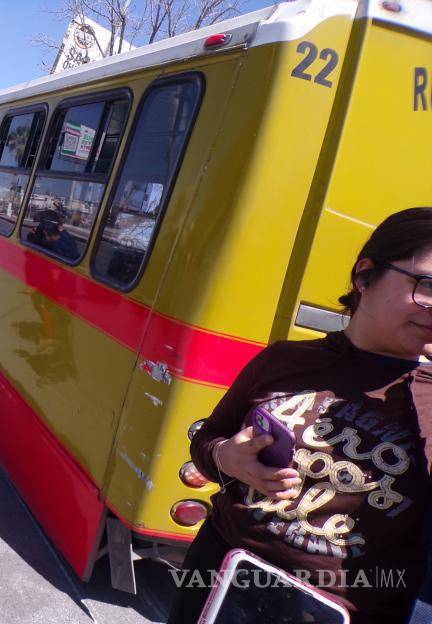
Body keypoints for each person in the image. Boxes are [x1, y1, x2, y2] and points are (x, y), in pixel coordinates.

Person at [168, 207, 432, 624]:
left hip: (338, 610)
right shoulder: (284, 359)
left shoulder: (428, 397)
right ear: (365, 275)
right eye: (427, 285)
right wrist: (225, 458)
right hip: (219, 571)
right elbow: (209, 438)